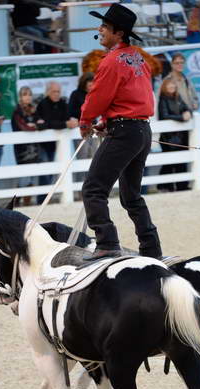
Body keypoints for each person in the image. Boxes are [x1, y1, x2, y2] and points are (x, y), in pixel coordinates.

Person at [79, 3, 162, 261]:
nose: (100, 29)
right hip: (140, 129)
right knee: (131, 195)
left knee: (93, 189)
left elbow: (98, 96)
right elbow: (132, 95)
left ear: (118, 33)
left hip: (125, 131)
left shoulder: (112, 61)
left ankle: (107, 242)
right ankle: (151, 247)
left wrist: (86, 122)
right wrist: (110, 120)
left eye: (104, 26)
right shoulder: (138, 57)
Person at [36, 81, 78, 203]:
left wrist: (70, 123)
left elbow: (66, 118)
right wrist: (65, 124)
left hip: (57, 144)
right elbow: (47, 123)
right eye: (54, 91)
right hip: (43, 144)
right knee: (44, 171)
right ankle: (41, 200)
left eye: (58, 91)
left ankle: (48, 198)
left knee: (55, 170)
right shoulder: (43, 104)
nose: (56, 94)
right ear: (48, 92)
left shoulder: (63, 103)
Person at [157, 79, 192, 192]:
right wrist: (181, 118)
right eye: (169, 84)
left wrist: (188, 112)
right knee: (169, 162)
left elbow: (187, 108)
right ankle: (165, 186)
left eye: (173, 84)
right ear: (164, 87)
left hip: (181, 136)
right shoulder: (163, 99)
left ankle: (182, 186)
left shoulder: (178, 98)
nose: (172, 86)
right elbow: (164, 116)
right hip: (168, 137)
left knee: (182, 161)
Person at [11, 86, 43, 206]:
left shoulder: (34, 110)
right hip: (22, 149)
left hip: (34, 147)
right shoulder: (17, 112)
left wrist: (36, 124)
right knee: (24, 177)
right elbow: (23, 126)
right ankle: (19, 203)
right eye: (25, 95)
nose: (28, 97)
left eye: (29, 94)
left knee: (32, 175)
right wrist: (35, 125)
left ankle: (23, 202)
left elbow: (42, 123)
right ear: (20, 97)